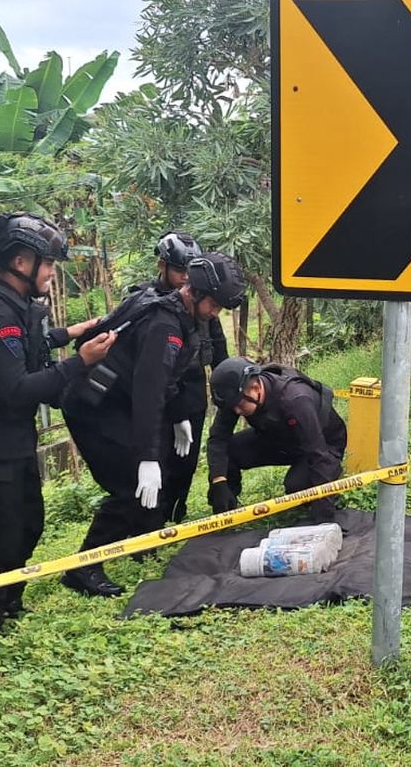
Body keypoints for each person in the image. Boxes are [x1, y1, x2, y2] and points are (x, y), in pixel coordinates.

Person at [0, 213, 115, 636]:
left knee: (29, 523)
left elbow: (27, 345)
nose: (52, 272)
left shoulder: (7, 302)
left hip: (9, 439)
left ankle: (10, 601)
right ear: (20, 262)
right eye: (48, 263)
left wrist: (71, 333)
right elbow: (17, 387)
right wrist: (81, 363)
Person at [60, 254, 246, 597]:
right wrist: (146, 457)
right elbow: (149, 393)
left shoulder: (181, 315)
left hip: (116, 402)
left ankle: (135, 543)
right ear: (196, 292)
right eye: (214, 305)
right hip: (93, 408)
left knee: (147, 480)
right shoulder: (164, 325)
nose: (215, 313)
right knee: (131, 483)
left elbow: (166, 379)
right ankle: (83, 567)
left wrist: (177, 418)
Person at [131, 233, 232, 523]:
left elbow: (219, 351)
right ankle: (148, 528)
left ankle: (177, 512)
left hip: (191, 394)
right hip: (158, 396)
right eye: (178, 271)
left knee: (185, 462)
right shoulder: (149, 303)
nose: (184, 278)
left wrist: (228, 391)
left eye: (189, 272)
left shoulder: (203, 304)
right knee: (156, 460)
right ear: (162, 265)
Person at [205, 357, 347, 521]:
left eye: (240, 406)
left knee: (297, 486)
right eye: (232, 407)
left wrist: (324, 518)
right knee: (228, 452)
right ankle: (226, 509)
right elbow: (218, 438)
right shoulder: (236, 397)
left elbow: (319, 455)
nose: (236, 411)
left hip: (323, 443)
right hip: (279, 438)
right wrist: (219, 481)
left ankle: (326, 486)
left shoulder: (295, 400)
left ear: (256, 388)